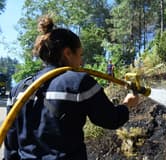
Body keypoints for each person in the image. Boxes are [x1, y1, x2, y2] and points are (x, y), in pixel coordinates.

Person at [4, 15, 139, 160]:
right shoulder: (79, 82)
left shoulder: (18, 89)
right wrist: (127, 105)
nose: (81, 62)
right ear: (68, 53)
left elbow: (11, 147)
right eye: (80, 55)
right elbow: (111, 119)